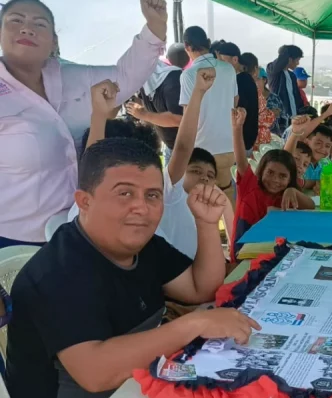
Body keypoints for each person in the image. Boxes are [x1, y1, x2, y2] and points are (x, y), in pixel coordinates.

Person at [6, 136, 260, 398]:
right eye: (125, 193)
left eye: (152, 195)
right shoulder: (57, 272)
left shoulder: (143, 244)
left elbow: (200, 288)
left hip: (136, 389)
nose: (141, 206)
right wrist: (194, 324)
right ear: (84, 201)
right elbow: (96, 372)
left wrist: (206, 224)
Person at [0, 0, 167, 248]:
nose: (27, 28)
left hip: (78, 229)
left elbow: (125, 77)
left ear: (53, 41)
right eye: (16, 20)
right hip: (13, 240)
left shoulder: (71, 76)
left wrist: (155, 25)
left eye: (39, 23)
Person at [69, 67, 220, 259]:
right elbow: (182, 148)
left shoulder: (85, 207)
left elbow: (182, 148)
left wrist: (99, 115)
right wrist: (197, 92)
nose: (140, 205)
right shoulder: (155, 192)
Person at [231, 108, 314, 257]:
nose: (275, 180)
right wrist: (237, 128)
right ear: (261, 170)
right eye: (270, 173)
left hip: (273, 252)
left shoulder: (286, 194)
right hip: (242, 254)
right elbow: (241, 158)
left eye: (282, 176)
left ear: (290, 179)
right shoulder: (250, 185)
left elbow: (311, 206)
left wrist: (293, 191)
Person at [180, 26, 239, 204]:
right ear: (207, 43)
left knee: (199, 203)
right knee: (226, 201)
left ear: (187, 47)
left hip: (202, 149)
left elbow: (188, 117)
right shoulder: (228, 69)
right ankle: (234, 233)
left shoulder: (189, 74)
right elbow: (235, 101)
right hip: (229, 146)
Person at [126, 42, 190, 164]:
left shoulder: (172, 80)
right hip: (170, 146)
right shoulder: (146, 82)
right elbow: (151, 105)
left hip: (188, 150)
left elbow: (180, 119)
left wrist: (144, 115)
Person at [216, 42, 259, 152]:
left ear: (235, 60)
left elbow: (237, 110)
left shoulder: (241, 80)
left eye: (222, 61)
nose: (219, 65)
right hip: (242, 140)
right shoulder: (243, 79)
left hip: (241, 141)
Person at [239, 52, 275, 148]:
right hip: (254, 140)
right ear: (255, 69)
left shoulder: (234, 84)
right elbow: (261, 117)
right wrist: (272, 114)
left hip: (238, 137)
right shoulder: (253, 88)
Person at [267, 44, 304, 128]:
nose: (298, 63)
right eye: (297, 60)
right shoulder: (273, 72)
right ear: (289, 59)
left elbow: (296, 97)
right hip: (280, 119)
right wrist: (285, 52)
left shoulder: (292, 75)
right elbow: (277, 65)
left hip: (294, 119)